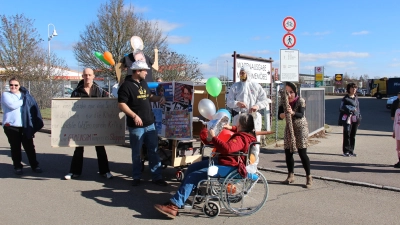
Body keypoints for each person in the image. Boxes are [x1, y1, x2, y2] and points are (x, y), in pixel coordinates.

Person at [154, 113, 257, 219]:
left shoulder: (241, 138)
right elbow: (237, 132)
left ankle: (173, 206)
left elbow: (227, 148)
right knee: (192, 167)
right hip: (225, 161)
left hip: (227, 166)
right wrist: (230, 127)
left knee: (192, 176)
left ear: (241, 124)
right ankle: (181, 198)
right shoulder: (247, 134)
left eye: (238, 122)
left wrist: (213, 137)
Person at [117, 58, 167, 187]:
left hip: (150, 124)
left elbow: (149, 96)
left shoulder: (144, 83)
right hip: (136, 126)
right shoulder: (126, 85)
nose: (146, 73)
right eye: (144, 70)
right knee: (137, 152)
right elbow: (121, 104)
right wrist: (134, 116)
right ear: (137, 71)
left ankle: (157, 177)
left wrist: (159, 98)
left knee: (153, 150)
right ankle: (136, 177)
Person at [64, 68, 113, 180]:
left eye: (89, 75)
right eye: (85, 75)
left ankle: (105, 171)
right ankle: (74, 172)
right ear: (82, 76)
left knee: (100, 148)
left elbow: (108, 105)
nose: (87, 77)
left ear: (93, 76)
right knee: (78, 148)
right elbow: (69, 108)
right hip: (81, 125)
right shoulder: (76, 92)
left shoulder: (100, 91)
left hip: (97, 124)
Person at [1, 77, 44, 175]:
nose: (13, 87)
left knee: (29, 147)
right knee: (15, 147)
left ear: (19, 86)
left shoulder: (25, 96)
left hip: (25, 126)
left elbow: (32, 107)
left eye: (16, 85)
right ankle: (17, 166)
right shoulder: (6, 95)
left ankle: (35, 165)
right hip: (11, 125)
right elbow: (12, 105)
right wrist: (24, 100)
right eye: (11, 85)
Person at [278, 82, 312, 188]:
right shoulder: (283, 101)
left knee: (302, 152)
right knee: (288, 152)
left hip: (300, 127)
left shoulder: (300, 100)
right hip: (289, 128)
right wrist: (284, 114)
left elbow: (301, 114)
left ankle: (309, 177)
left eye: (291, 92)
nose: (289, 95)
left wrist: (292, 112)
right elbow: (279, 116)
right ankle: (291, 175)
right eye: (287, 92)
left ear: (295, 92)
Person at [226, 65, 271, 143]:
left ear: (248, 74)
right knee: (237, 140)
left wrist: (257, 106)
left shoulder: (256, 86)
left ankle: (254, 155)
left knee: (254, 139)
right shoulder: (235, 86)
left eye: (243, 73)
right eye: (240, 73)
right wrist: (237, 103)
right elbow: (229, 102)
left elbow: (265, 100)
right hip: (239, 117)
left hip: (253, 117)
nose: (241, 75)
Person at [338, 83, 361, 157]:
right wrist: (348, 110)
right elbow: (341, 108)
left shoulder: (356, 98)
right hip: (347, 118)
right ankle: (346, 151)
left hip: (355, 118)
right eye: (352, 88)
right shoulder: (345, 98)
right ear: (349, 89)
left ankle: (351, 150)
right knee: (347, 134)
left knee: (353, 135)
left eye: (355, 88)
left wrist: (359, 118)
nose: (354, 89)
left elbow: (358, 109)